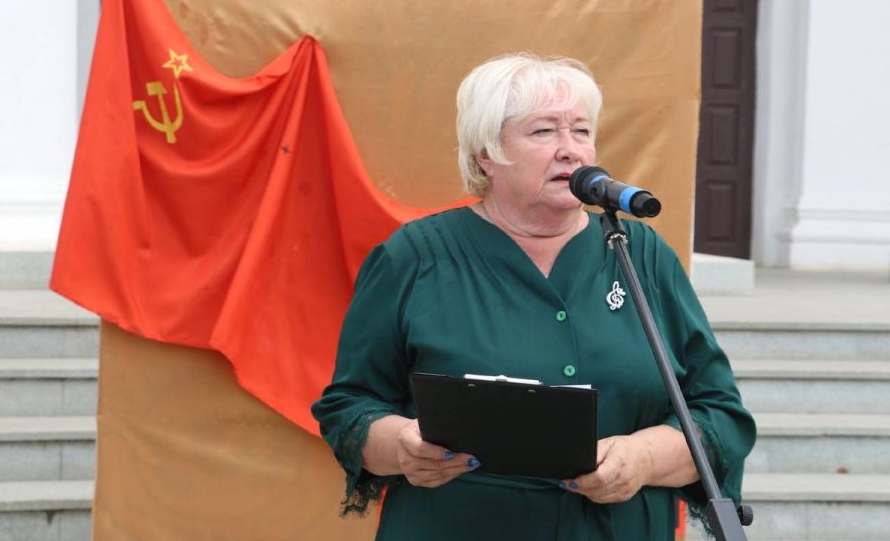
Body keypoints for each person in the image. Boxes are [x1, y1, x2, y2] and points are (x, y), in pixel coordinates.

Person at [311, 53, 755, 540]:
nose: (571, 151)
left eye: (581, 131)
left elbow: (719, 414)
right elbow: (350, 407)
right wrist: (401, 447)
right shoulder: (414, 257)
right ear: (486, 154)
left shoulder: (639, 254)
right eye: (544, 131)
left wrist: (644, 458)